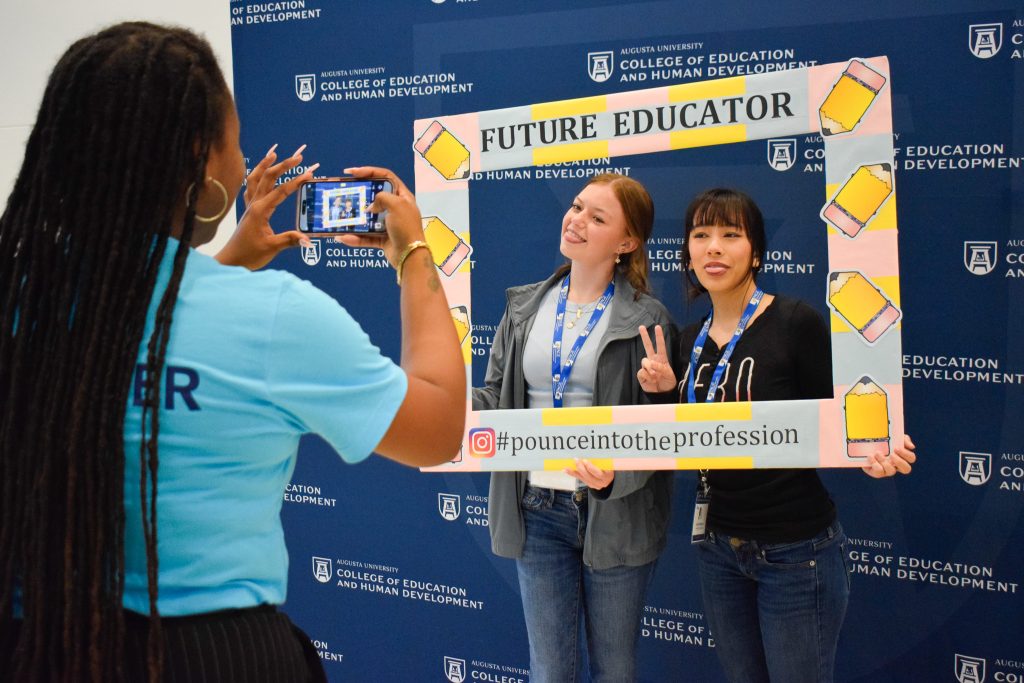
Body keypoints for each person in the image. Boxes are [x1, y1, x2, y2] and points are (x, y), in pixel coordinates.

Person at [0, 22, 464, 682]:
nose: (245, 165)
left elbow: (129, 338)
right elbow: (438, 424)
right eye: (236, 142)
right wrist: (414, 256)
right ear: (200, 157)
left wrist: (222, 264)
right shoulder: (273, 317)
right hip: (214, 658)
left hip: (36, 646)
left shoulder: (19, 294)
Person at [636, 188, 916, 683]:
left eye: (730, 234)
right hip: (718, 546)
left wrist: (879, 447)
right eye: (701, 235)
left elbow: (844, 415)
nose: (714, 248)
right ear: (687, 253)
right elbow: (687, 440)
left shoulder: (794, 323)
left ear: (757, 252)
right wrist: (663, 395)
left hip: (795, 551)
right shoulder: (687, 342)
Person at [475, 174, 674, 682]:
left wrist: (661, 394)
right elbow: (495, 397)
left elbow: (665, 433)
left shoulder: (649, 318)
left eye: (597, 217)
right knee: (550, 671)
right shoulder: (523, 307)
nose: (577, 220)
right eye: (578, 206)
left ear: (627, 243)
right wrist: (449, 398)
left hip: (615, 512)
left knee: (614, 670)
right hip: (536, 507)